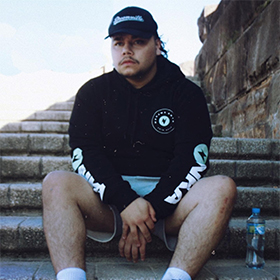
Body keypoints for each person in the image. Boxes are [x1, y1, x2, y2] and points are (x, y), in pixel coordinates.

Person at [42, 6, 237, 280]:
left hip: (170, 204)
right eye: (118, 43)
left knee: (222, 187)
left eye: (138, 42)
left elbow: (192, 159)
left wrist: (149, 209)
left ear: (157, 45)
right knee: (55, 182)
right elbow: (84, 153)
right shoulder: (93, 93)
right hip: (109, 203)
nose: (126, 50)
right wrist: (126, 202)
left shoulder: (186, 93)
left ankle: (176, 277)